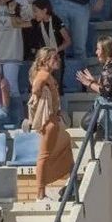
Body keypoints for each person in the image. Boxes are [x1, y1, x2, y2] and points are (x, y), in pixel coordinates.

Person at [26, 46, 73, 201]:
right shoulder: (43, 75)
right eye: (54, 58)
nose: (58, 60)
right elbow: (36, 89)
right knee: (44, 156)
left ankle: (69, 178)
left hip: (54, 119)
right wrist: (35, 97)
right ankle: (40, 193)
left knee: (65, 142)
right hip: (49, 121)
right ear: (45, 61)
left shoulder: (48, 75)